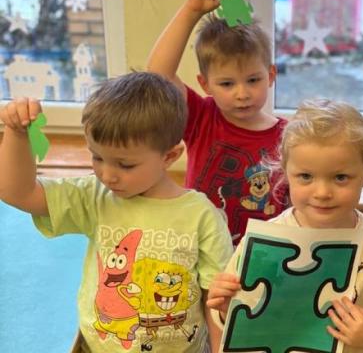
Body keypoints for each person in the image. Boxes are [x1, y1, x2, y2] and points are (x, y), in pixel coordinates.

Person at [0, 72, 233, 352]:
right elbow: (19, 193)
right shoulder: (94, 195)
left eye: (125, 165)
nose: (107, 175)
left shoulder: (201, 216)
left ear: (170, 156)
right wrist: (16, 134)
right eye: (97, 157)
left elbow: (215, 298)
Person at [207, 99, 363, 352]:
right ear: (286, 172)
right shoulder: (263, 244)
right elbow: (244, 313)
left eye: (340, 177)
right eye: (306, 176)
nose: (322, 193)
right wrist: (226, 309)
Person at [147, 0, 287, 246]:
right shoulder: (201, 118)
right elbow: (158, 74)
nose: (242, 93)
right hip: (201, 247)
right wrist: (191, 11)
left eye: (253, 80)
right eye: (227, 84)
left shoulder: (289, 137)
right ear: (205, 84)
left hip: (263, 256)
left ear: (270, 76)